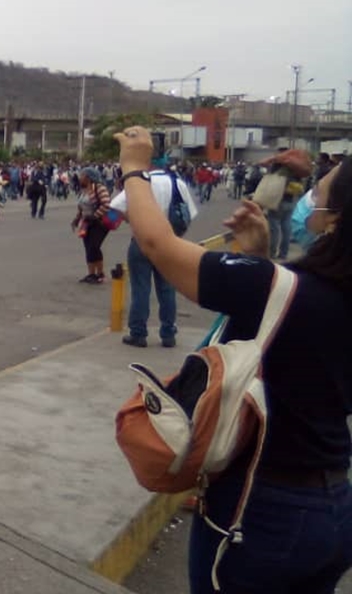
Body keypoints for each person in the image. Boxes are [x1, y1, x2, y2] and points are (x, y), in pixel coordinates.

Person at [115, 126, 352, 594]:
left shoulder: (285, 290)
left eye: (321, 188)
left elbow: (160, 246)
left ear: (335, 217)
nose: (311, 194)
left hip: (263, 510)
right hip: (333, 506)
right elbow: (302, 353)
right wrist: (261, 259)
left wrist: (134, 169)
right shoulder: (312, 290)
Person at [110, 168, 198, 347]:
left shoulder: (139, 183)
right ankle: (168, 334)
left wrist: (133, 219)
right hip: (168, 243)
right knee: (167, 288)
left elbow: (115, 205)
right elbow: (190, 213)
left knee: (140, 288)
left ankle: (138, 333)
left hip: (142, 240)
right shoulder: (178, 183)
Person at [71, 167, 110, 283]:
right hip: (86, 223)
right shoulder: (83, 190)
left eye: (82, 175)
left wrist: (95, 216)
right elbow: (81, 207)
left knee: (94, 246)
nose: (80, 178)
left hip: (99, 223)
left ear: (88, 177)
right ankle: (91, 274)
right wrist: (76, 219)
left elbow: (106, 204)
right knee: (88, 248)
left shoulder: (99, 188)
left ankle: (100, 274)